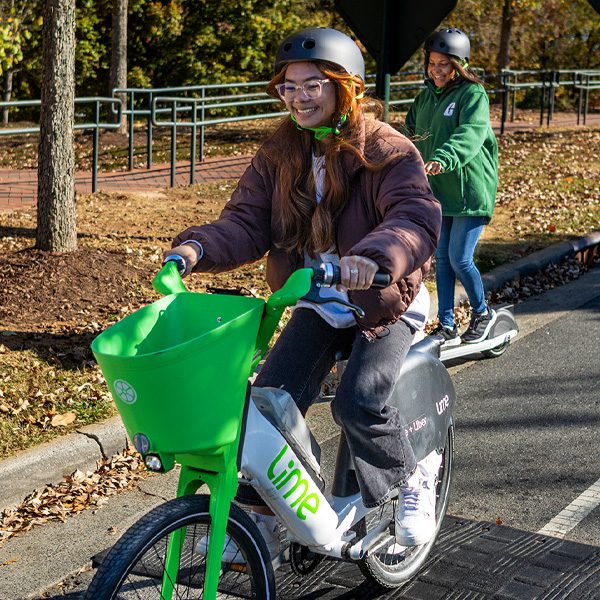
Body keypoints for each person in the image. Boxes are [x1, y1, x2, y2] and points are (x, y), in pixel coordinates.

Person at [167, 27, 442, 554]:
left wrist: (377, 257)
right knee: (268, 407)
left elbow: (415, 217)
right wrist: (196, 248)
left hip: (384, 300)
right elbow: (246, 222)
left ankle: (412, 477)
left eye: (313, 84)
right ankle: (267, 514)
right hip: (319, 299)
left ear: (347, 87)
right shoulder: (280, 152)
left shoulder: (386, 149)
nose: (299, 97)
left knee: (360, 401)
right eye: (289, 87)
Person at [405, 27, 499, 347]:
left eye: (444, 64)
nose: (436, 70)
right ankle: (446, 325)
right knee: (442, 260)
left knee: (460, 258)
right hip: (439, 193)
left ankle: (483, 313)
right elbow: (409, 138)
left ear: (460, 64)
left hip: (470, 191)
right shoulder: (424, 99)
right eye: (432, 64)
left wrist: (443, 158)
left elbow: (469, 135)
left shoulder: (473, 96)